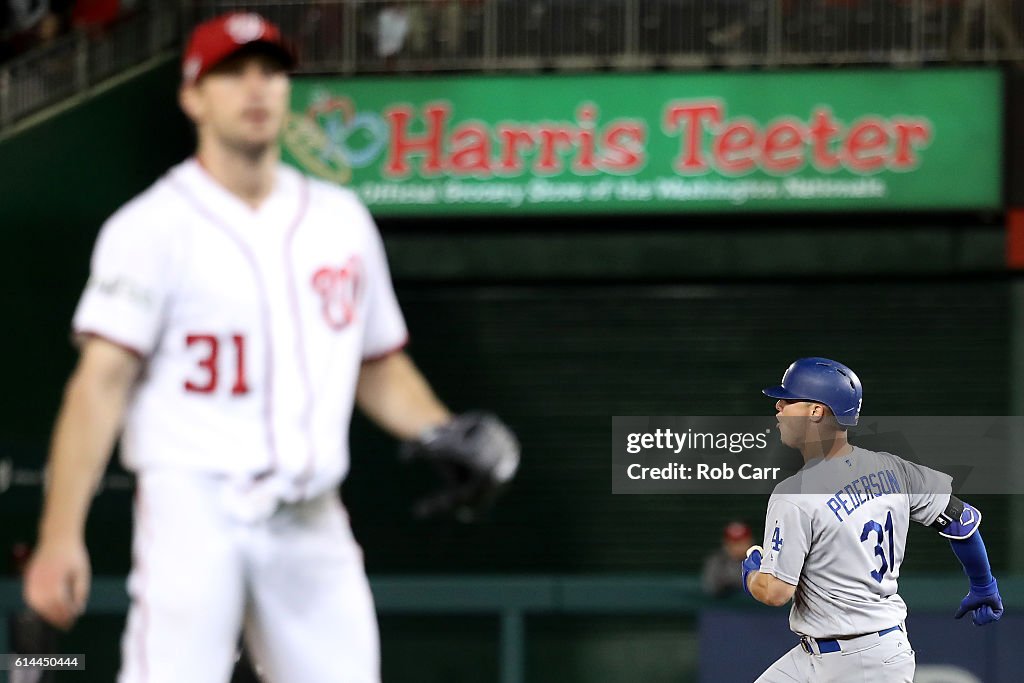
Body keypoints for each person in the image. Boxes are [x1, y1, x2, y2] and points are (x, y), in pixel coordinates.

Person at [21, 12, 519, 683]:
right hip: (195, 509)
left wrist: (438, 426)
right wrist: (59, 535)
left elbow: (375, 363)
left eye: (270, 71)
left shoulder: (341, 221)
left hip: (310, 512)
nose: (255, 88)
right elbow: (98, 386)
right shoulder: (149, 228)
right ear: (193, 96)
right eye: (232, 73)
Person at [742, 357, 1003, 683]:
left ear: (816, 412)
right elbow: (959, 520)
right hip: (823, 655)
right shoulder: (894, 469)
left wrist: (753, 571)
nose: (778, 405)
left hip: (864, 664)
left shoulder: (795, 493)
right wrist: (983, 584)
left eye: (789, 399)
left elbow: (775, 592)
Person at [701, 521, 753, 597]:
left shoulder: (758, 560)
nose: (738, 547)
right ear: (726, 543)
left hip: (752, 607)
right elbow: (710, 587)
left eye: (742, 542)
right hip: (721, 606)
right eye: (734, 543)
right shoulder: (716, 561)